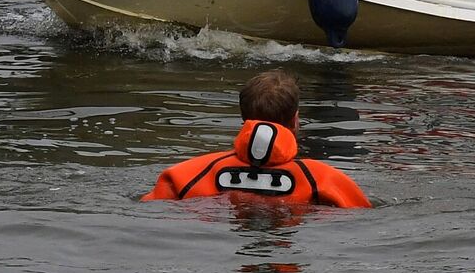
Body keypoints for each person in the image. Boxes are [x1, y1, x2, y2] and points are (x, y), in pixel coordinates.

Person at [143, 69, 371, 208]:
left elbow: (152, 206)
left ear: (244, 120)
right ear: (296, 120)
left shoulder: (188, 174)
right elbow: (361, 214)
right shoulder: (321, 179)